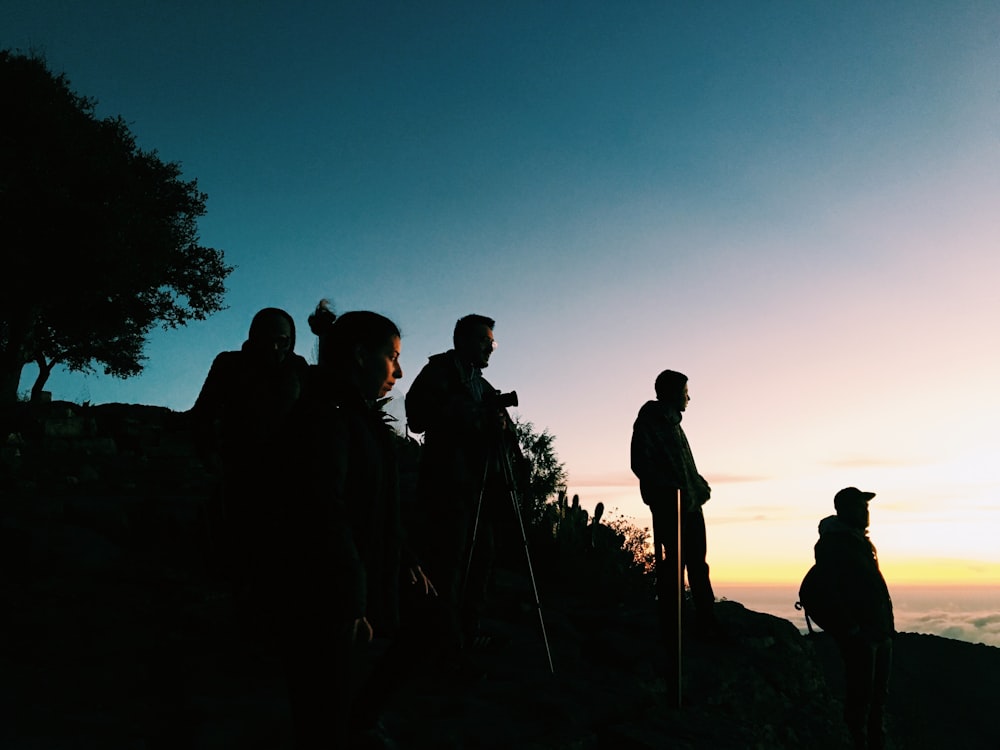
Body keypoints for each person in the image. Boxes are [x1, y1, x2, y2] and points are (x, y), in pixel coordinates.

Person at [274, 299, 434, 749]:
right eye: (394, 357)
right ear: (362, 355)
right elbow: (322, 509)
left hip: (356, 573)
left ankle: (360, 719)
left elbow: (374, 504)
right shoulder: (326, 415)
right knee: (322, 704)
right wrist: (351, 596)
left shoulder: (355, 414)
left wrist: (403, 557)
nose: (398, 373)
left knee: (428, 624)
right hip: (324, 588)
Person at [404, 313, 522, 673]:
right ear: (466, 341)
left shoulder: (482, 386)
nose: (491, 348)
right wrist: (476, 417)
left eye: (493, 342)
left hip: (481, 489)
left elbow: (506, 436)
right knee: (449, 562)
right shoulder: (439, 373)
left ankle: (466, 632)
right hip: (447, 486)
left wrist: (502, 431)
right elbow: (418, 416)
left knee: (480, 559)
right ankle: (441, 639)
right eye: (487, 341)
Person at [188, 306, 309, 599]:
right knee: (241, 545)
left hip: (289, 473)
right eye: (267, 339)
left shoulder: (298, 368)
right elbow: (203, 412)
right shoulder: (229, 364)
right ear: (253, 337)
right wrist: (209, 453)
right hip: (240, 468)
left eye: (282, 340)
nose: (275, 347)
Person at [630, 369, 720, 637]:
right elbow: (641, 463)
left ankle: (706, 620)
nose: (688, 398)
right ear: (671, 394)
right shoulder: (650, 422)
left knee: (698, 564)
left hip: (690, 504)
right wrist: (667, 491)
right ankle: (674, 621)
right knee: (674, 566)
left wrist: (696, 484)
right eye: (684, 393)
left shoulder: (673, 423)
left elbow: (682, 466)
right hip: (671, 506)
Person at [814, 487, 895, 750]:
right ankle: (858, 743)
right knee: (861, 698)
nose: (865, 511)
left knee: (877, 698)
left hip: (878, 633)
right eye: (860, 506)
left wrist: (887, 627)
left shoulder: (859, 541)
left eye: (866, 506)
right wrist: (851, 630)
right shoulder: (833, 544)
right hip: (862, 636)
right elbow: (829, 589)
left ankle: (874, 743)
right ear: (844, 510)